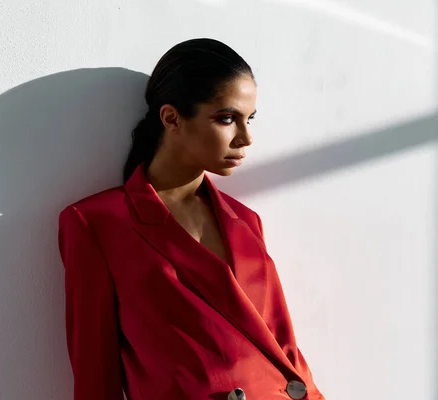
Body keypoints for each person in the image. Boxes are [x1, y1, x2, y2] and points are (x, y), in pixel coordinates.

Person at [57, 38, 325, 400]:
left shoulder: (246, 220)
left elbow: (283, 348)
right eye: (226, 118)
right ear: (171, 118)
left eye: (250, 119)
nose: (245, 138)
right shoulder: (96, 223)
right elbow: (95, 376)